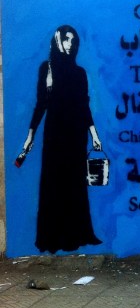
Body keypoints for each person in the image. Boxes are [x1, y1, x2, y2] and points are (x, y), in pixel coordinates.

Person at [20, 26, 103, 253]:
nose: (70, 44)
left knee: (75, 184)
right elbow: (41, 104)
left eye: (74, 41)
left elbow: (84, 106)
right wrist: (30, 135)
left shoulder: (80, 73)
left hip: (76, 135)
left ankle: (76, 235)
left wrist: (94, 135)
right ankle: (52, 238)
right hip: (55, 134)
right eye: (66, 40)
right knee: (53, 183)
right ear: (58, 41)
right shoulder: (46, 69)